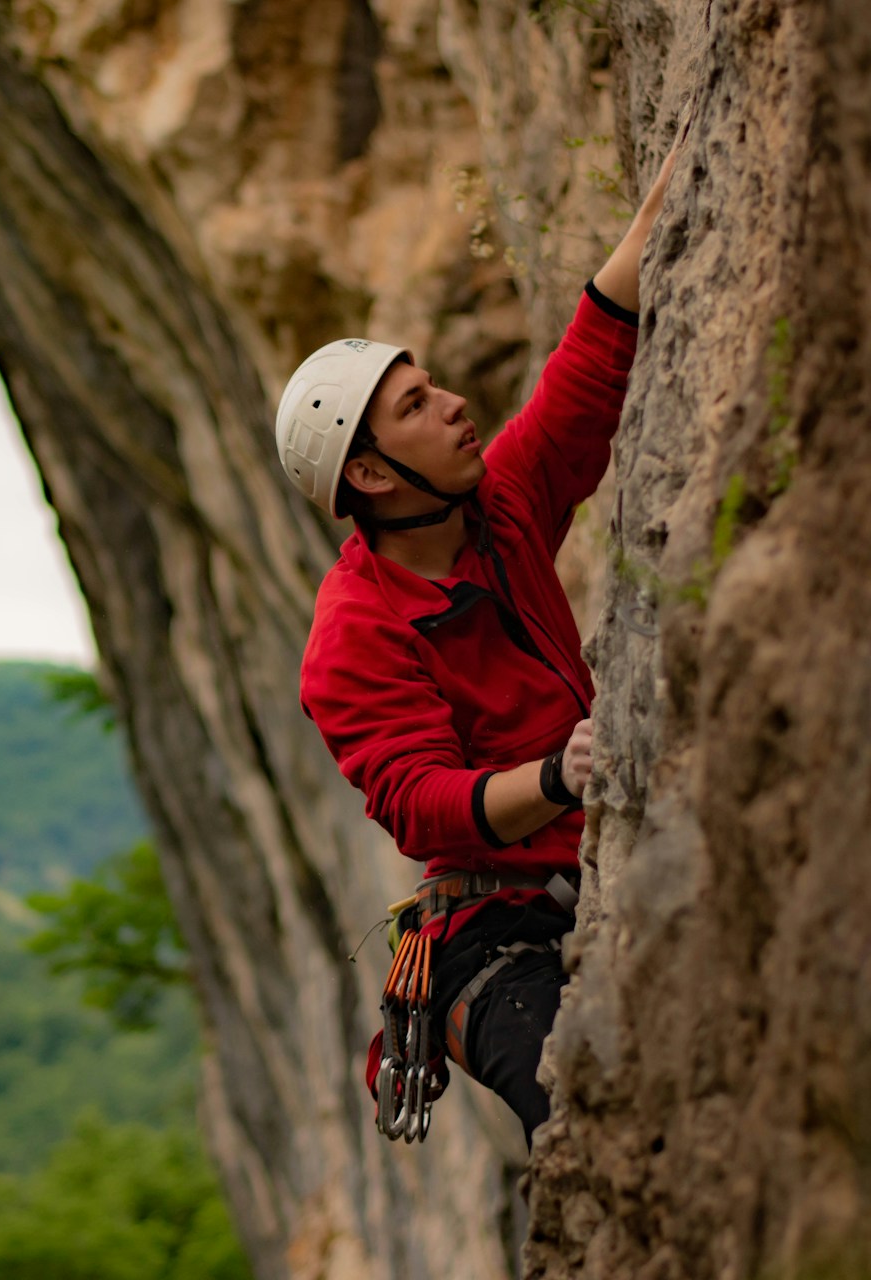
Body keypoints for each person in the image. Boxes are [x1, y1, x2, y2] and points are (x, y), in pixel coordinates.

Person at [275, 129, 686, 1146]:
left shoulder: (496, 511)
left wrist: (677, 180)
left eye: (433, 384)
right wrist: (560, 772)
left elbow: (585, 373)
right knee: (596, 1121)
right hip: (489, 934)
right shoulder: (355, 635)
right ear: (370, 474)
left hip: (585, 866)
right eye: (415, 406)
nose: (455, 403)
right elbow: (421, 803)